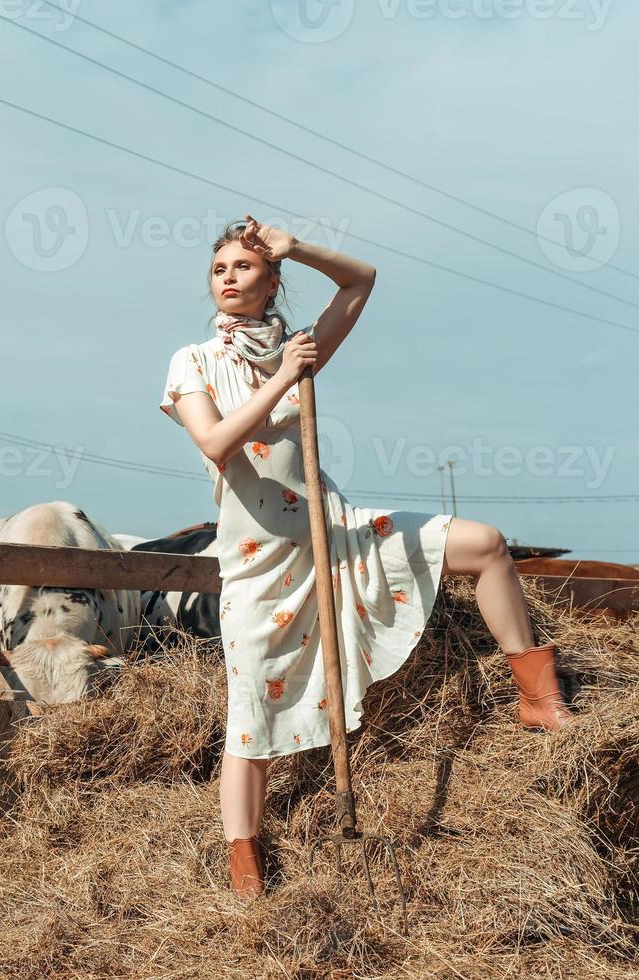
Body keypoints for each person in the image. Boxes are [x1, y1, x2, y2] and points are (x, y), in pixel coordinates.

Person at [157, 215, 576, 899]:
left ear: (271, 281)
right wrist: (284, 378)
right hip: (260, 565)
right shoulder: (193, 361)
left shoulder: (299, 346)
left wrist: (299, 247)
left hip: (335, 533)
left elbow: (361, 280)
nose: (228, 278)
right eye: (218, 269)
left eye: (245, 267)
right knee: (250, 719)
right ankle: (245, 863)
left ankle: (537, 698)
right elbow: (216, 443)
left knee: (486, 544)